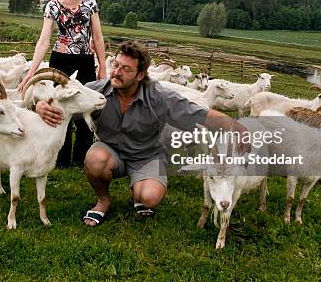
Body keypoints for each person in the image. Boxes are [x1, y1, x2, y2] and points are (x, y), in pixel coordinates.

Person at [35, 40, 251, 226]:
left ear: (140, 75)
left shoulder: (158, 96)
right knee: (94, 159)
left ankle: (139, 191)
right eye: (116, 65)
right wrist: (41, 106)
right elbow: (62, 103)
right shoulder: (96, 90)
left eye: (126, 69)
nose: (117, 72)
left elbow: (198, 114)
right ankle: (103, 200)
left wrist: (237, 127)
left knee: (149, 197)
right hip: (110, 151)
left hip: (146, 155)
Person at [17, 0, 107, 168]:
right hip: (61, 60)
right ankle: (61, 157)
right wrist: (31, 72)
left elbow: (98, 36)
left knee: (86, 104)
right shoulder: (53, 5)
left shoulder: (90, 2)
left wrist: (102, 66)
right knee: (59, 107)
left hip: (85, 59)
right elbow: (44, 40)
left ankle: (82, 156)